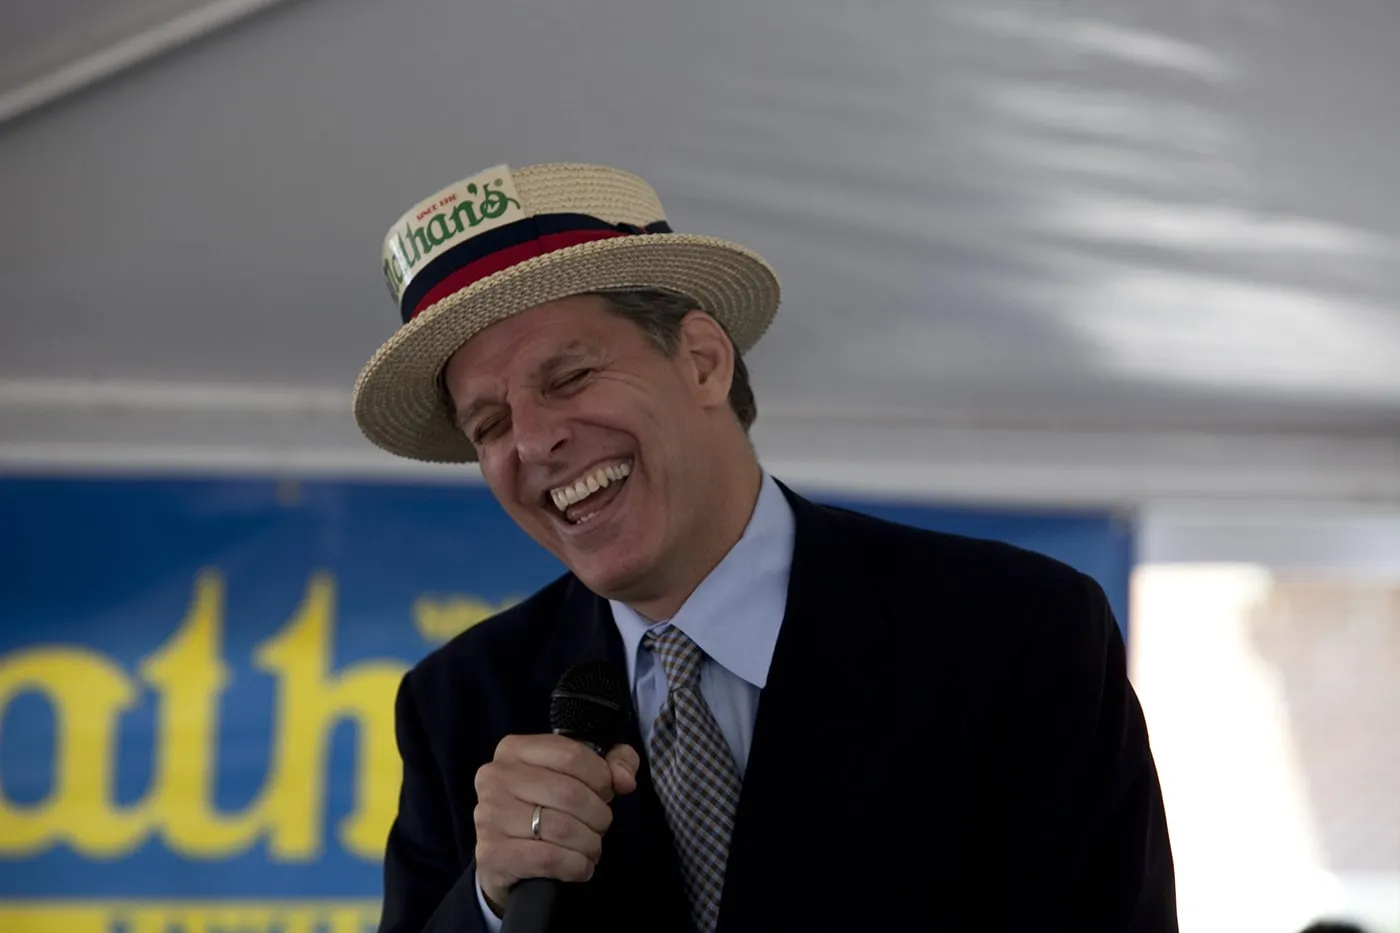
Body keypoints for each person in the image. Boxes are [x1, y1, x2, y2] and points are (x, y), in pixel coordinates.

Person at [355, 161, 1178, 932]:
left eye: (568, 378)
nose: (532, 443)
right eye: (489, 425)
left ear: (705, 362)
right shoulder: (458, 703)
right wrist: (492, 903)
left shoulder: (1014, 632)